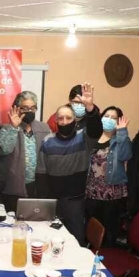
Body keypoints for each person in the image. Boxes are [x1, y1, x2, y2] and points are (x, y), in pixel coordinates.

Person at [38, 83, 102, 246]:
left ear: (75, 120)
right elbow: (41, 173)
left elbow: (96, 130)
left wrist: (90, 108)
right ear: (56, 120)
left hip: (75, 202)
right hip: (53, 202)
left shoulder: (84, 138)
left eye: (68, 118)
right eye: (61, 118)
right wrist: (44, 203)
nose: (64, 121)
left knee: (75, 242)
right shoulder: (47, 141)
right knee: (51, 242)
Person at [85, 107, 131, 247]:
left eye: (113, 117)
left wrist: (122, 132)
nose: (109, 119)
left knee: (109, 233)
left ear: (118, 121)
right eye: (106, 116)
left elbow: (125, 155)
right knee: (91, 230)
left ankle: (108, 257)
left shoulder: (121, 139)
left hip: (112, 193)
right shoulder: (93, 137)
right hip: (91, 192)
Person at [0, 91, 51, 212]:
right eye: (25, 108)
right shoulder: (7, 128)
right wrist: (13, 127)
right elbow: (4, 150)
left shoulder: (44, 128)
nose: (29, 111)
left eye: (32, 108)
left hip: (38, 184)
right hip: (15, 185)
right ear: (17, 109)